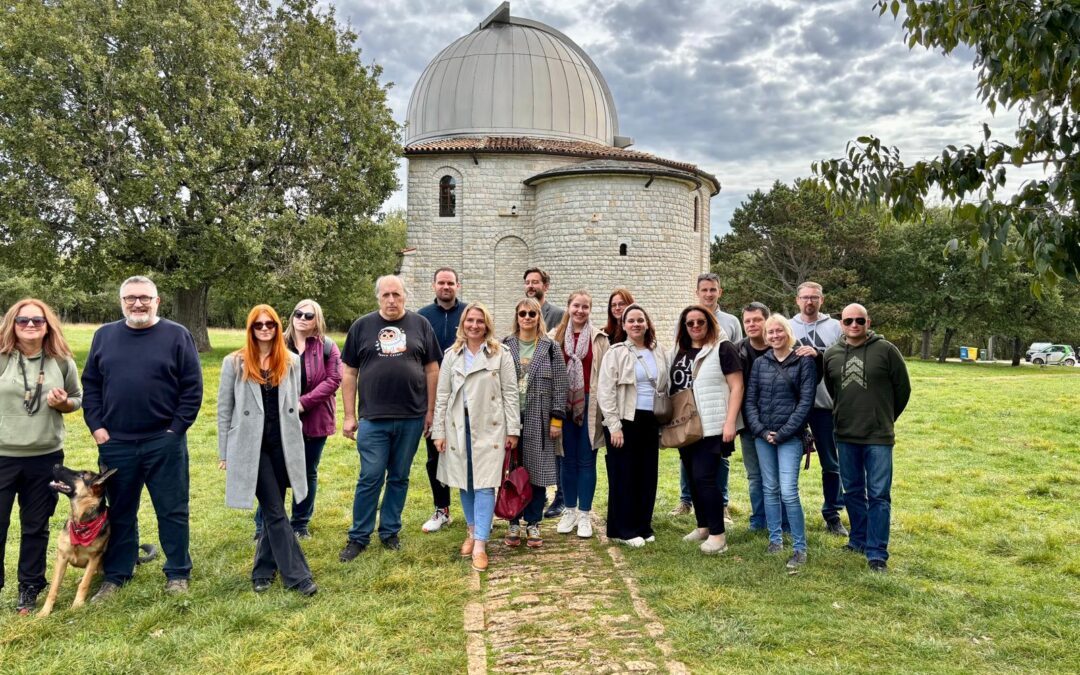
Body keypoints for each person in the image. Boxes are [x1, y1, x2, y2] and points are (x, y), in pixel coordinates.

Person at [82, 276, 203, 600]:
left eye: (145, 298)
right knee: (121, 510)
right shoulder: (104, 336)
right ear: (121, 301)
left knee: (172, 509)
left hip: (163, 442)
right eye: (131, 298)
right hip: (116, 443)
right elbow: (91, 386)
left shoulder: (177, 335)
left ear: (157, 301)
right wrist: (97, 428)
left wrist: (175, 430)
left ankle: (178, 572)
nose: (138, 303)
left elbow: (192, 388)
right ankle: (118, 573)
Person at [339, 275, 442, 561]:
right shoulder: (362, 326)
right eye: (386, 295)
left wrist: (431, 411)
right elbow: (349, 372)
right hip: (373, 418)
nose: (392, 300)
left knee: (399, 476)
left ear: (405, 296)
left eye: (396, 294)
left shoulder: (421, 325)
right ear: (378, 298)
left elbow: (432, 369)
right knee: (370, 476)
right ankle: (358, 537)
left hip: (412, 417)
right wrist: (349, 415)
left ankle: (389, 532)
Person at [218, 306, 317, 596]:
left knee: (275, 508)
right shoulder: (234, 362)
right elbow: (224, 409)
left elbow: (292, 407)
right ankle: (298, 577)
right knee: (274, 510)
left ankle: (262, 571)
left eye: (270, 324)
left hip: (282, 445)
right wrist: (224, 452)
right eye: (258, 324)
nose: (264, 328)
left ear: (276, 327)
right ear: (250, 329)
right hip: (251, 447)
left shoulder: (291, 362)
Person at [0, 299, 82, 614]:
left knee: (35, 525)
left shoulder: (61, 361)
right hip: (3, 456)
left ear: (48, 325)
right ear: (12, 323)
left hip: (45, 457)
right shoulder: (3, 357)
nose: (31, 325)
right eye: (23, 320)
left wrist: (63, 404)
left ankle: (29, 589)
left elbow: (77, 398)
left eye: (38, 320)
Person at [431, 304, 520, 572]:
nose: (474, 325)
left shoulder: (499, 354)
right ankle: (471, 531)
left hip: (489, 426)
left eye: (480, 321)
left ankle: (480, 543)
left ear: (487, 324)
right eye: (470, 320)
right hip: (458, 424)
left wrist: (513, 429)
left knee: (484, 484)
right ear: (463, 323)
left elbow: (510, 393)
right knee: (464, 481)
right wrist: (439, 431)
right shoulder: (452, 355)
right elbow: (442, 395)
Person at [824, 304, 911, 572]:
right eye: (848, 320)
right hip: (846, 435)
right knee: (852, 492)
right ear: (841, 323)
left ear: (868, 322)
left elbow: (903, 389)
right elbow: (832, 389)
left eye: (859, 320)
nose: (854, 325)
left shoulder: (886, 351)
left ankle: (876, 553)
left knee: (879, 495)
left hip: (878, 437)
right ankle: (858, 540)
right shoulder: (832, 354)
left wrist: (884, 418)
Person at [254, 299, 341, 540]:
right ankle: (264, 525)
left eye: (308, 316)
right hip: (277, 420)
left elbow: (333, 380)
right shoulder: (276, 342)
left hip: (315, 420)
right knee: (272, 473)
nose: (302, 319)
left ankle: (300, 524)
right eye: (298, 314)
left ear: (317, 320)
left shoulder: (327, 347)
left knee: (307, 472)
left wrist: (303, 403)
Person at [744, 314, 816, 569]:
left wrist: (783, 433)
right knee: (770, 489)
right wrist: (762, 431)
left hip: (790, 437)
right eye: (770, 332)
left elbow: (806, 402)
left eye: (779, 331)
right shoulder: (761, 363)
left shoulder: (803, 361)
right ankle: (775, 540)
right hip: (763, 436)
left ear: (787, 332)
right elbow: (750, 399)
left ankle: (800, 547)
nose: (774, 336)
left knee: (788, 491)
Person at [670, 306, 744, 554]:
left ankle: (718, 535)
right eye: (689, 323)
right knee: (692, 478)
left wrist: (730, 422)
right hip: (686, 425)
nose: (695, 327)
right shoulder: (680, 351)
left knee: (705, 478)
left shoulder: (723, 348)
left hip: (712, 425)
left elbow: (737, 386)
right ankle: (702, 526)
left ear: (709, 323)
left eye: (700, 322)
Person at [598, 304, 670, 548]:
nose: (637, 324)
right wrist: (614, 425)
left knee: (647, 474)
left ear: (647, 323)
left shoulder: (658, 351)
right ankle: (623, 529)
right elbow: (605, 391)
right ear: (624, 325)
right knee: (624, 475)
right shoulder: (616, 352)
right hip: (625, 420)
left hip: (651, 420)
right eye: (631, 321)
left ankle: (642, 525)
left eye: (641, 320)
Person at [501, 298, 567, 549]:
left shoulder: (550, 347)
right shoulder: (505, 346)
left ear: (538, 316)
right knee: (513, 471)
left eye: (532, 313)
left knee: (537, 474)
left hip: (539, 418)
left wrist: (556, 419)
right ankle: (513, 521)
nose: (527, 317)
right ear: (516, 317)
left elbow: (561, 385)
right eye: (522, 313)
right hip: (511, 418)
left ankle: (534, 522)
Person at [549, 291, 609, 539]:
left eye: (585, 307)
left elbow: (606, 376)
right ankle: (569, 511)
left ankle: (584, 514)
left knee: (586, 460)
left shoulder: (599, 340)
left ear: (590, 310)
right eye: (576, 306)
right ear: (569, 307)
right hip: (562, 407)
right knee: (566, 461)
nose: (580, 311)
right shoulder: (555, 337)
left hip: (589, 407)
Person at [790, 281, 848, 537]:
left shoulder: (835, 328)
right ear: (797, 300)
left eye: (814, 297)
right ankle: (786, 515)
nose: (809, 302)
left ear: (821, 300)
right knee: (788, 463)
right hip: (793, 407)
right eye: (805, 297)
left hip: (825, 405)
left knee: (831, 462)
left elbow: (845, 360)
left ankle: (832, 513)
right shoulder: (788, 327)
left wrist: (818, 354)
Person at [417, 267, 467, 533]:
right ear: (434, 285)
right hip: (433, 396)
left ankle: (476, 513)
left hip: (467, 397)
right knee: (436, 454)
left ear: (458, 285)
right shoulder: (422, 317)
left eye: (450, 283)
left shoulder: (468, 314)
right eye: (441, 283)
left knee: (471, 453)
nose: (446, 287)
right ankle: (442, 509)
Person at [523, 267, 566, 518]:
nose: (531, 285)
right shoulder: (521, 313)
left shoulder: (558, 314)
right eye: (527, 282)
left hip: (550, 388)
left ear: (545, 286)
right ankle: (531, 497)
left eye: (535, 282)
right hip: (528, 396)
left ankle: (560, 498)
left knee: (556, 450)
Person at [735, 302, 777, 532]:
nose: (752, 325)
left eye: (757, 320)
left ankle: (783, 521)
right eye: (747, 321)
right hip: (750, 425)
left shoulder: (780, 345)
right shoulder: (737, 349)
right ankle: (759, 520)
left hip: (777, 424)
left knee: (778, 477)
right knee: (755, 476)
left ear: (766, 321)